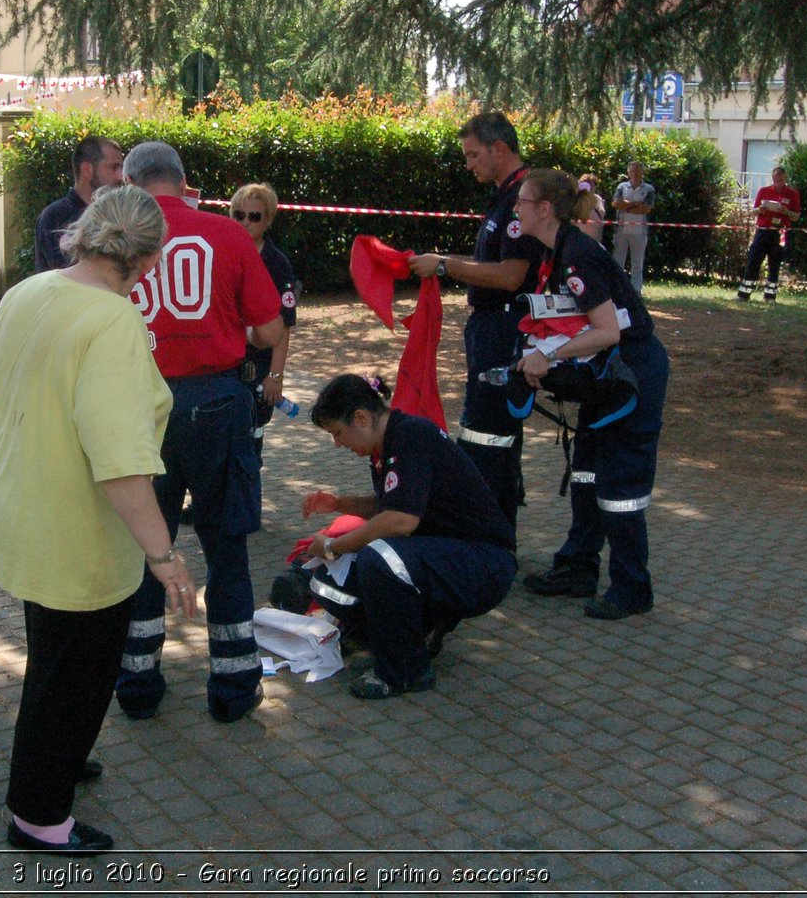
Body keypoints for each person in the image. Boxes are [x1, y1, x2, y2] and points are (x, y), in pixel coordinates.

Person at [0, 186, 198, 856]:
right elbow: (121, 462)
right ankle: (39, 814)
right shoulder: (111, 322)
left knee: (55, 659)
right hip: (72, 528)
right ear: (151, 256)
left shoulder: (30, 291)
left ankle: (55, 761)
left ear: (85, 233)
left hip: (20, 503)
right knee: (75, 673)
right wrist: (163, 554)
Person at [115, 142, 285, 724]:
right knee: (226, 547)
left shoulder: (119, 239)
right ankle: (234, 687)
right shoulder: (229, 234)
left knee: (144, 546)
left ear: (133, 184)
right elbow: (267, 329)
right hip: (217, 403)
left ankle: (136, 684)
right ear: (185, 183)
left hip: (141, 409)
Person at [299, 375, 517, 698]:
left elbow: (400, 520)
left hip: (485, 562)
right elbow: (394, 503)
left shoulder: (410, 436)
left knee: (378, 558)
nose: (338, 444)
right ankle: (409, 633)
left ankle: (404, 671)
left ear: (360, 418)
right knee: (338, 579)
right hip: (452, 553)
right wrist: (339, 503)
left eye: (338, 433)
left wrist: (332, 546)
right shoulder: (387, 442)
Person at [514, 170, 670, 619]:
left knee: (620, 485)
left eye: (522, 201)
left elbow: (608, 331)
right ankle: (578, 567)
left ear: (545, 209)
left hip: (633, 374)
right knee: (585, 471)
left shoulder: (577, 256)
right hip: (606, 372)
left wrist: (551, 356)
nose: (516, 209)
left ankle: (632, 588)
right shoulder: (557, 252)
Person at [407, 111, 540, 532]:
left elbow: (509, 275)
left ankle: (490, 537)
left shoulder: (522, 199)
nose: (469, 165)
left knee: (488, 434)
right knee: (492, 435)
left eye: (473, 154)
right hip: (492, 327)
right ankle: (494, 529)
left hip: (504, 329)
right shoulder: (506, 195)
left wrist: (445, 266)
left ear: (499, 149)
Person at [231, 182, 302, 455]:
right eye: (239, 215)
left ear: (268, 220)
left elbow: (284, 324)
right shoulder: (224, 252)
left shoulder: (277, 263)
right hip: (225, 363)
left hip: (257, 365)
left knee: (251, 444)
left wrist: (276, 375)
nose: (246, 222)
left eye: (254, 216)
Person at [33, 135, 125, 272]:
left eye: (122, 168)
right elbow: (67, 275)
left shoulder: (121, 213)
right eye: (114, 167)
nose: (120, 176)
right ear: (87, 169)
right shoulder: (56, 217)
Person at [738, 166, 802, 302]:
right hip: (763, 231)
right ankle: (744, 294)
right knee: (753, 260)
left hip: (779, 232)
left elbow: (796, 216)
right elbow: (753, 211)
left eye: (781, 179)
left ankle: (770, 296)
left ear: (785, 178)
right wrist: (760, 210)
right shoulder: (764, 191)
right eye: (775, 179)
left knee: (775, 264)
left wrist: (787, 212)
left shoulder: (792, 194)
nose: (778, 181)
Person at [610, 161, 655, 291]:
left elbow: (646, 208)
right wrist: (636, 205)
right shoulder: (622, 186)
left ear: (643, 172)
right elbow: (616, 203)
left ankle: (636, 290)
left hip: (640, 231)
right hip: (621, 230)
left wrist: (627, 206)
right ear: (628, 172)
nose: (635, 173)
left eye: (637, 170)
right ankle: (617, 289)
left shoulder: (649, 189)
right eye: (632, 171)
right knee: (618, 262)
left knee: (637, 264)